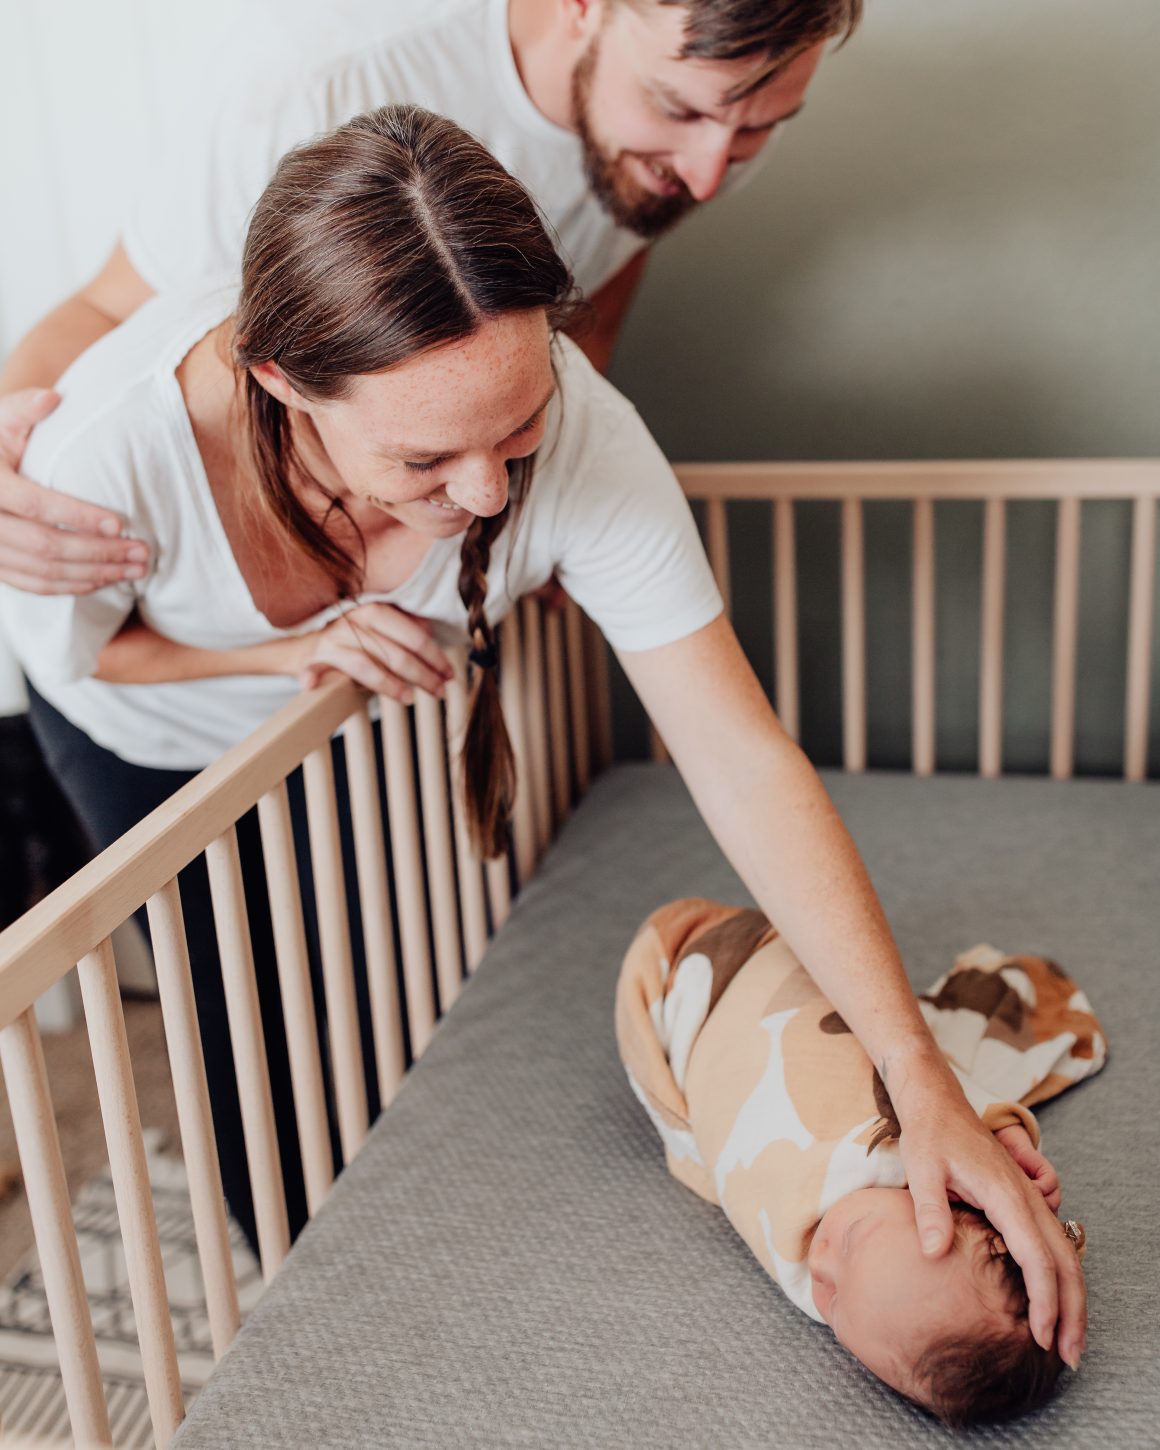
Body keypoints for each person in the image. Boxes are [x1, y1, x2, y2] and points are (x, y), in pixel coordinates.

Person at [0, 103, 1087, 1366]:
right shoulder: (103, 456)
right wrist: (280, 651)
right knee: (234, 1032)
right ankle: (295, 1301)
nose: (486, 495)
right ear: (280, 383)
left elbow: (736, 754)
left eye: (514, 432)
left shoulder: (585, 435)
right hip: (136, 715)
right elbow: (84, 654)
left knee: (361, 992)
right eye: (424, 460)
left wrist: (916, 1077)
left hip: (340, 713)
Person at [0, 0, 854, 594]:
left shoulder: (715, 120)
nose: (710, 175)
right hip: (176, 589)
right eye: (675, 110)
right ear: (584, 5)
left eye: (756, 130)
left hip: (393, 606)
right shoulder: (315, 84)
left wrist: (547, 489)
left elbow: (601, 279)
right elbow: (107, 316)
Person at [616, 899, 1106, 1423]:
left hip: (677, 1012)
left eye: (836, 1305)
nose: (820, 1263)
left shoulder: (848, 1287)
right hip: (740, 956)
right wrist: (1000, 1128)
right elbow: (950, 1115)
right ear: (954, 1195)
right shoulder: (894, 1155)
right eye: (851, 1242)